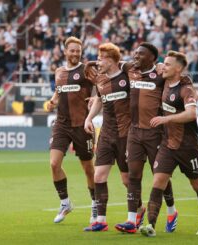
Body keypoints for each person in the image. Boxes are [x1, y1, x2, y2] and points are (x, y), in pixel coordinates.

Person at [140, 51, 198, 237]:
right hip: (167, 145)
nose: (163, 66)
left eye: (167, 64)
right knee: (158, 181)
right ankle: (151, 225)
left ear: (178, 68)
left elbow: (191, 114)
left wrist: (167, 120)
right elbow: (147, 67)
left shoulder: (186, 89)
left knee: (197, 185)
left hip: (188, 147)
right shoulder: (163, 79)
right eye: (163, 63)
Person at [116, 43, 177, 234]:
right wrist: (91, 62)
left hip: (155, 134)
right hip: (134, 133)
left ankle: (171, 211)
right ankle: (131, 219)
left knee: (160, 177)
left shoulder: (161, 75)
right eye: (135, 53)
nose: (136, 56)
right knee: (133, 176)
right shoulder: (130, 69)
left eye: (141, 54)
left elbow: (180, 79)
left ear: (152, 58)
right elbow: (112, 61)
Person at [83, 43, 144, 232]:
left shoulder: (127, 76)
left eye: (101, 58)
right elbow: (99, 99)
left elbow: (132, 65)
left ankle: (135, 216)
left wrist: (122, 62)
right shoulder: (100, 80)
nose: (98, 62)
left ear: (111, 60)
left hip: (126, 135)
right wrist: (89, 118)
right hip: (106, 134)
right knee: (98, 176)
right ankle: (101, 220)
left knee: (127, 180)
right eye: (98, 58)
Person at [47, 36, 96, 224]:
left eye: (78, 51)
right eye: (72, 50)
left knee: (88, 169)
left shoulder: (87, 70)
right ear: (65, 51)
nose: (75, 53)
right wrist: (52, 101)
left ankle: (95, 204)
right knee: (54, 163)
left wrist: (94, 98)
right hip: (62, 124)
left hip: (82, 125)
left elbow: (99, 87)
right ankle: (65, 203)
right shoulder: (59, 71)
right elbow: (59, 91)